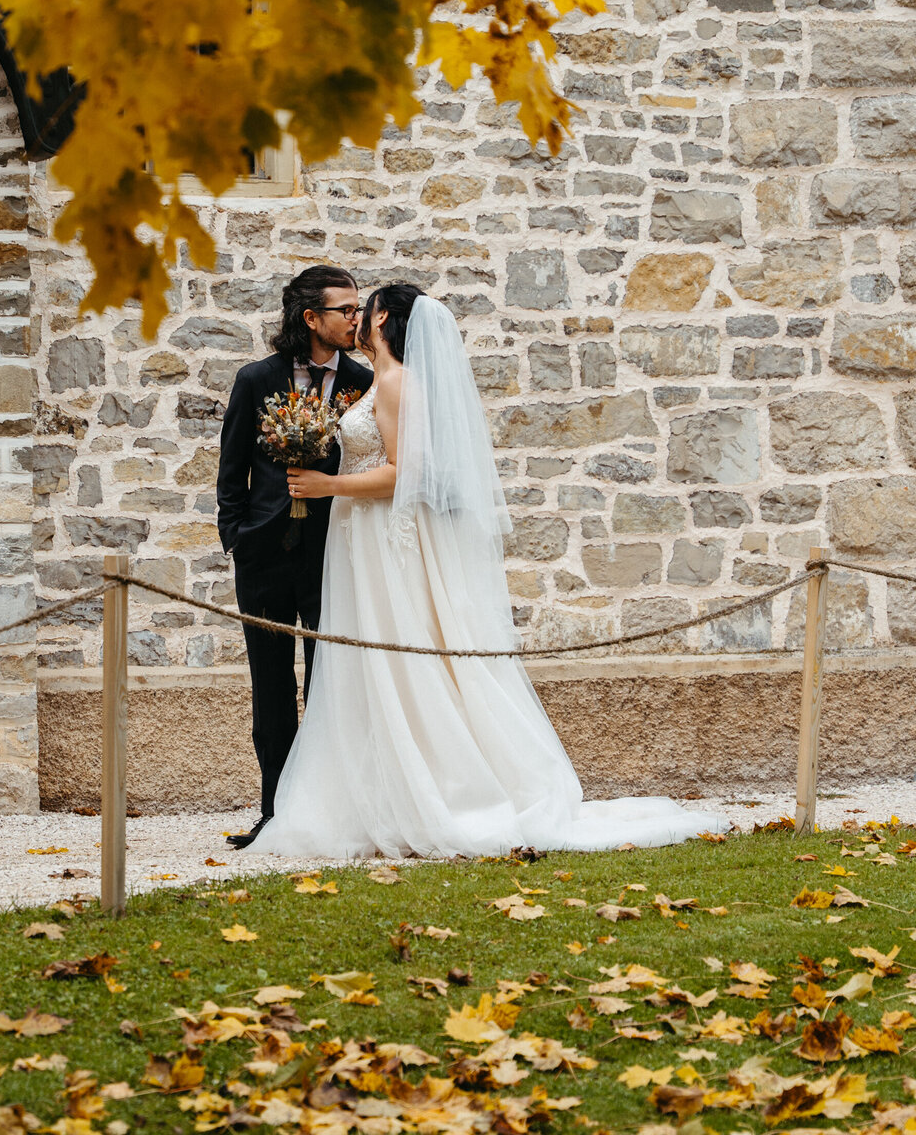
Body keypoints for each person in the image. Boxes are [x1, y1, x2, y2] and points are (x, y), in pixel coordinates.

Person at [248, 285, 727, 857]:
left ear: (383, 320)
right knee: (370, 664)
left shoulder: (398, 383)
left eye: (364, 309)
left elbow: (406, 473)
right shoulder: (383, 380)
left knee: (397, 656)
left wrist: (329, 486)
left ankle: (435, 793)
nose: (356, 319)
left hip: (381, 538)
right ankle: (376, 791)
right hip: (363, 540)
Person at [216, 265, 374, 850]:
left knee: (331, 682)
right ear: (311, 318)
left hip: (334, 556)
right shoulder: (257, 379)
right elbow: (232, 465)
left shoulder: (362, 382)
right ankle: (275, 813)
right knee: (271, 689)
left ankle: (329, 812)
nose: (357, 320)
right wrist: (235, 533)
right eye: (347, 311)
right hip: (263, 556)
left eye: (358, 310)